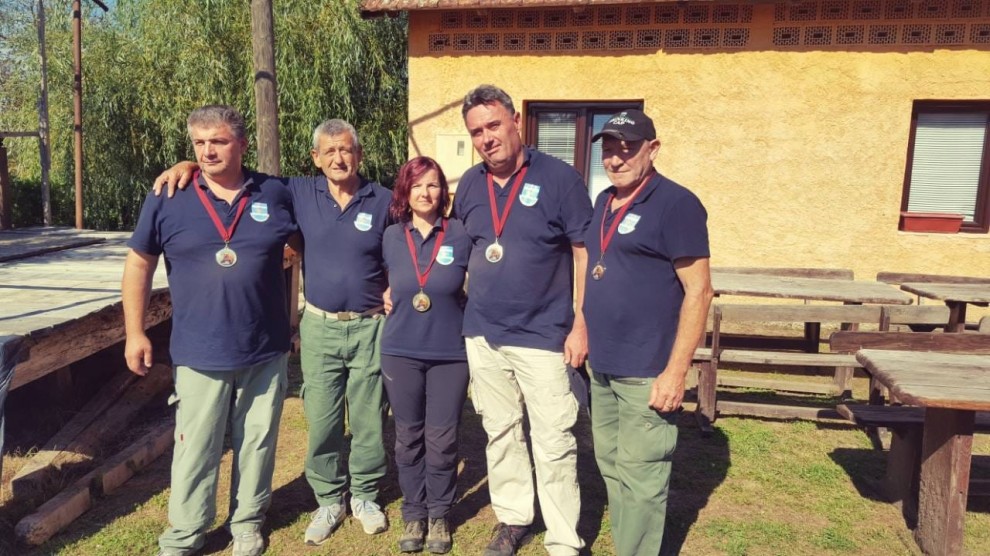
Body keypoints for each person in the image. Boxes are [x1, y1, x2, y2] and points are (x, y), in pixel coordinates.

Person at [154, 119, 393, 545]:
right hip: (319, 325)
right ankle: (328, 498)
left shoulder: (385, 201)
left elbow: (406, 245)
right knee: (320, 419)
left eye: (347, 150)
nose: (339, 158)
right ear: (315, 159)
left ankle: (365, 495)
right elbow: (229, 169)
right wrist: (188, 163)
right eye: (329, 151)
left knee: (369, 416)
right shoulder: (293, 193)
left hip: (370, 326)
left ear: (359, 154)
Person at [123, 105, 298, 556]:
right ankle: (185, 534)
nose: (207, 152)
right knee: (195, 448)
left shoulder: (275, 193)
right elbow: (139, 263)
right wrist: (135, 332)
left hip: (265, 348)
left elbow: (309, 241)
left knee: (256, 444)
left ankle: (246, 523)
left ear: (241, 144)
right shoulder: (168, 195)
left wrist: (298, 312)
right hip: (199, 350)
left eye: (218, 141)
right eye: (198, 144)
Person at [454, 85, 593, 556]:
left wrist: (580, 321)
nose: (487, 138)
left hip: (543, 335)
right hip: (484, 333)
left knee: (553, 438)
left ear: (516, 120)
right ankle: (514, 517)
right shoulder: (470, 184)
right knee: (501, 430)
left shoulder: (560, 179)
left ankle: (562, 538)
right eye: (477, 132)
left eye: (493, 125)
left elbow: (583, 250)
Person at [583, 109, 714, 556]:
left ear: (652, 150)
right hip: (603, 366)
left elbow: (699, 292)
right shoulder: (603, 201)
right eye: (609, 149)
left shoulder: (676, 204)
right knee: (613, 468)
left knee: (642, 478)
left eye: (627, 148)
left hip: (647, 370)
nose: (616, 159)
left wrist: (676, 373)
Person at [380, 157, 471, 554]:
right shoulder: (390, 237)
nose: (425, 193)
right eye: (417, 185)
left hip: (450, 353)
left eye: (433, 185)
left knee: (442, 438)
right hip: (401, 350)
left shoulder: (461, 235)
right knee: (407, 438)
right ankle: (414, 512)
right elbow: (382, 281)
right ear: (405, 191)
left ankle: (439, 513)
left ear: (443, 191)